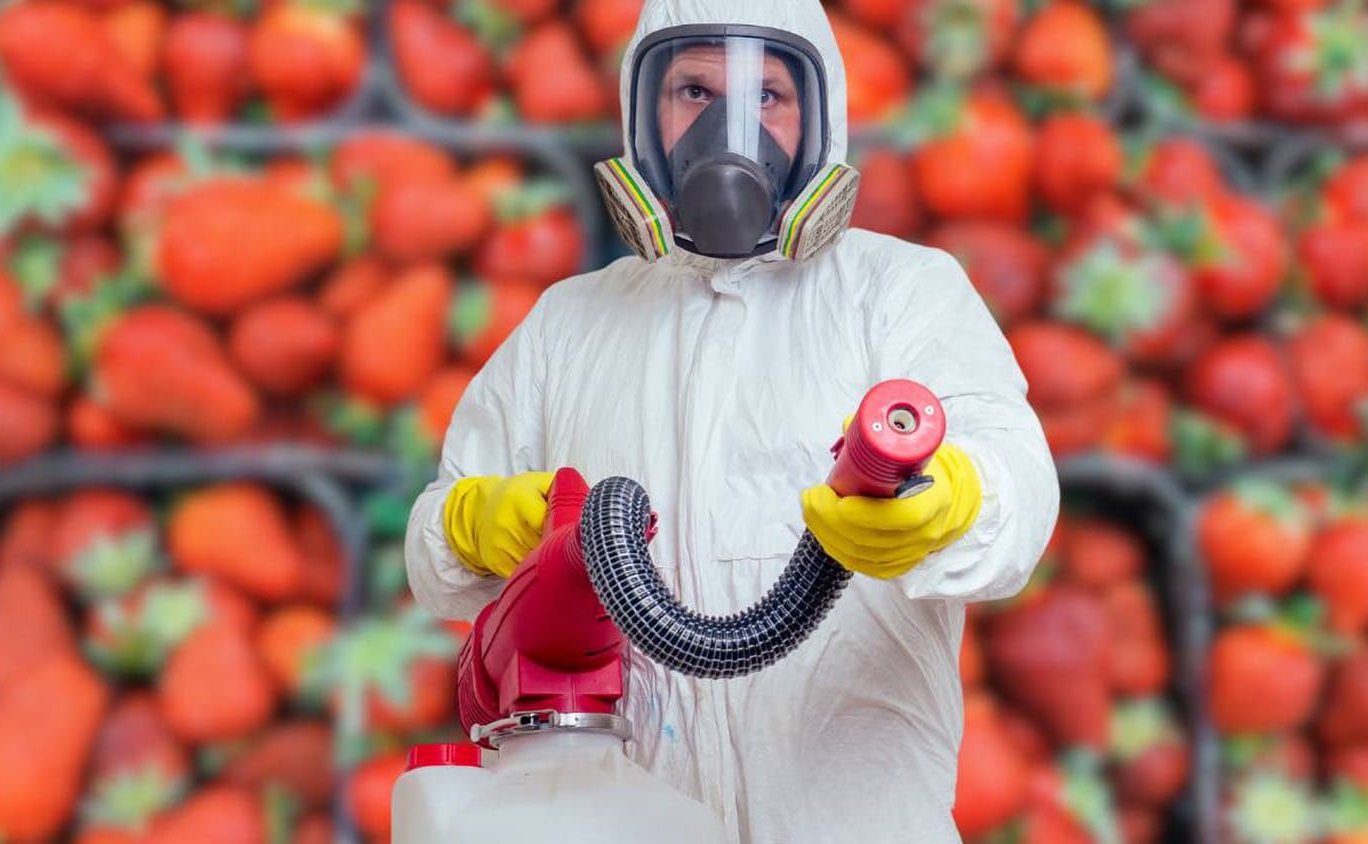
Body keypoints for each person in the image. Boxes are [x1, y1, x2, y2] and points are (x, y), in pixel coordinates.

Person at [404, 0, 1060, 840]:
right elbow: (435, 565)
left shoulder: (900, 293)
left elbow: (1019, 484)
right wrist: (470, 524)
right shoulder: (568, 324)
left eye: (767, 97)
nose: (728, 131)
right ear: (645, 113)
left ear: (821, 118)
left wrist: (955, 502)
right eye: (694, 91)